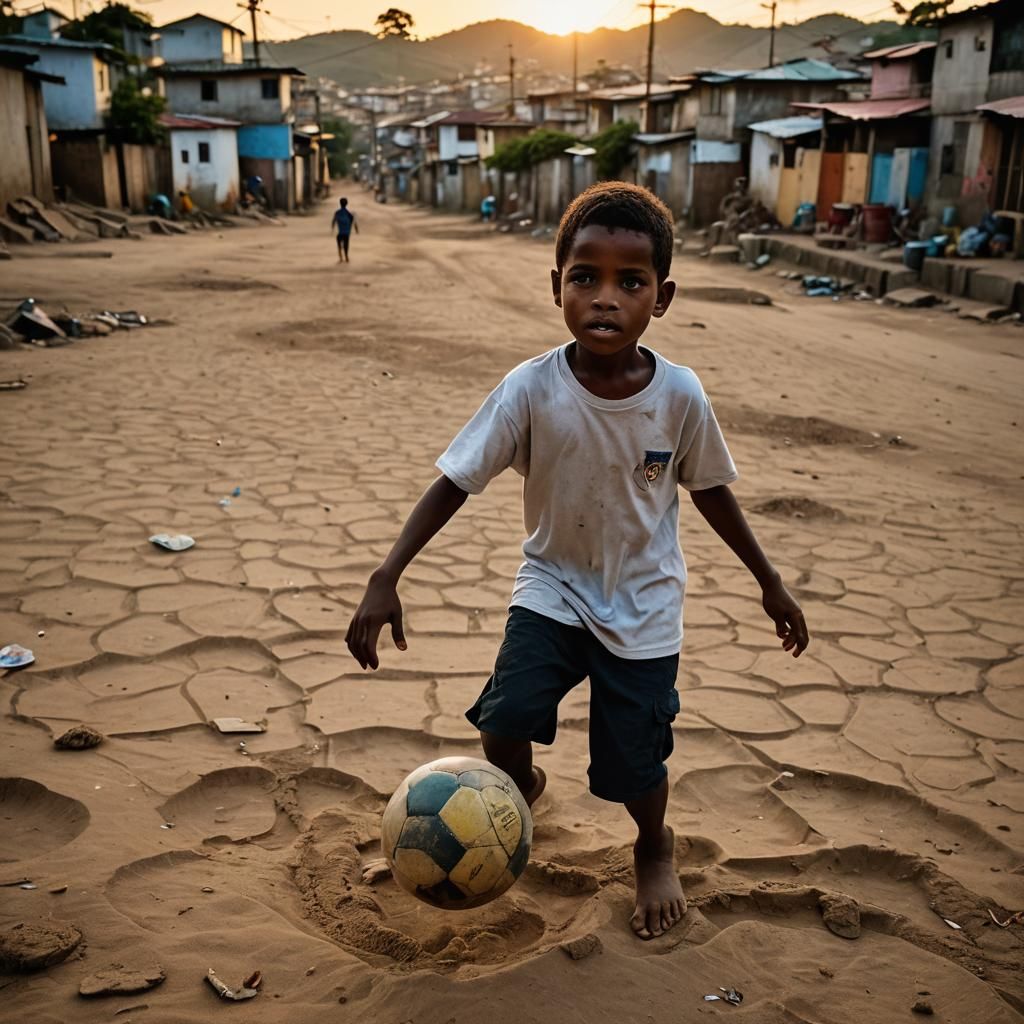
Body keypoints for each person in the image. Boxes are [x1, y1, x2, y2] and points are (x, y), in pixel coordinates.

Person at [345, 182, 809, 940]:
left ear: (661, 298)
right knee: (506, 718)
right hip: (553, 586)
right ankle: (517, 787)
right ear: (555, 284)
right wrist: (385, 574)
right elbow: (456, 480)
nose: (604, 298)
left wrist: (771, 582)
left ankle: (653, 846)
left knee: (633, 765)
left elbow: (713, 492)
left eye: (631, 282)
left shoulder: (681, 396)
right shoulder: (531, 389)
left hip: (644, 603)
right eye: (583, 276)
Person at [331, 197, 359, 263]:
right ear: (347, 204)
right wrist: (356, 229)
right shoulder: (349, 214)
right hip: (347, 233)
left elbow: (333, 221)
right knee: (346, 244)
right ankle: (346, 256)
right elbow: (354, 222)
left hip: (340, 233)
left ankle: (340, 257)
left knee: (339, 244)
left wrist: (332, 228)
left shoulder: (337, 212)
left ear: (340, 203)